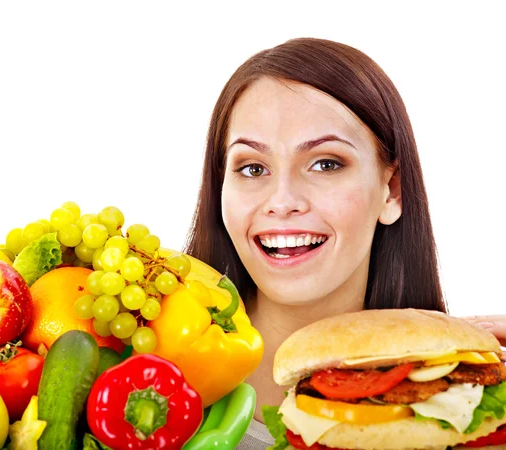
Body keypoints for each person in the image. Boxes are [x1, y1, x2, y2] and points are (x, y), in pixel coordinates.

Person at [183, 37, 506, 449]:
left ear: (392, 192)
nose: (282, 202)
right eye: (252, 167)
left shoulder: (475, 402)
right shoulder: (139, 382)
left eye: (326, 164)